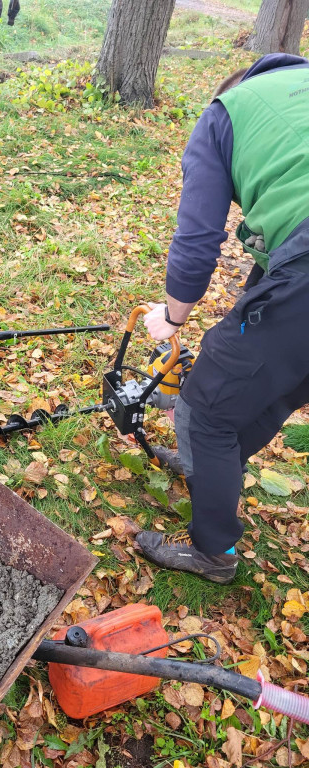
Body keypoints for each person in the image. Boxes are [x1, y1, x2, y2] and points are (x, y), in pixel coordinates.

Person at [135, 53, 309, 584]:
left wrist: (173, 315)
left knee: (203, 410)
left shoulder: (225, 112)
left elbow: (197, 238)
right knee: (282, 382)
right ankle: (208, 465)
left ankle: (214, 554)